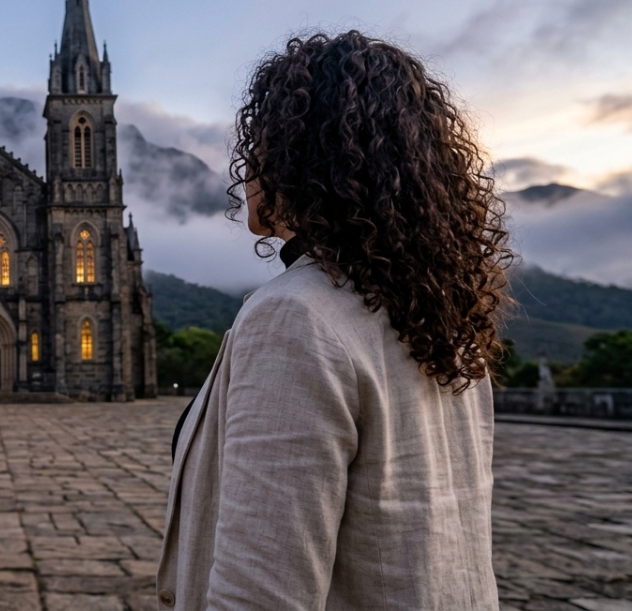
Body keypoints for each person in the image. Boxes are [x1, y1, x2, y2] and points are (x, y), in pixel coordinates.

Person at [157, 31, 512, 610]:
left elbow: (261, 590)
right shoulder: (444, 321)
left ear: (302, 159)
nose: (245, 167)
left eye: (259, 145)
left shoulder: (295, 316)